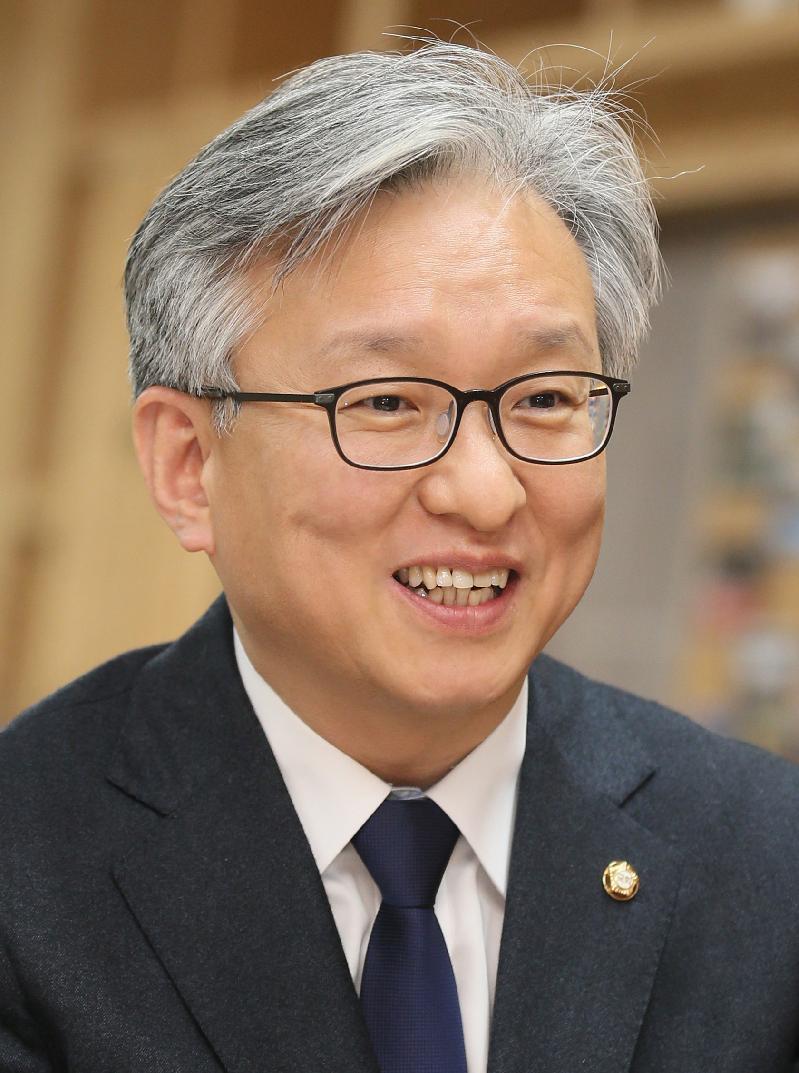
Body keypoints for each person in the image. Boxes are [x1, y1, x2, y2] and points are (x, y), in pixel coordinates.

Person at [1, 40, 798, 1073]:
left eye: (544, 398)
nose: (485, 488)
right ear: (189, 464)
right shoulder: (27, 865)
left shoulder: (764, 858)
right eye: (384, 402)